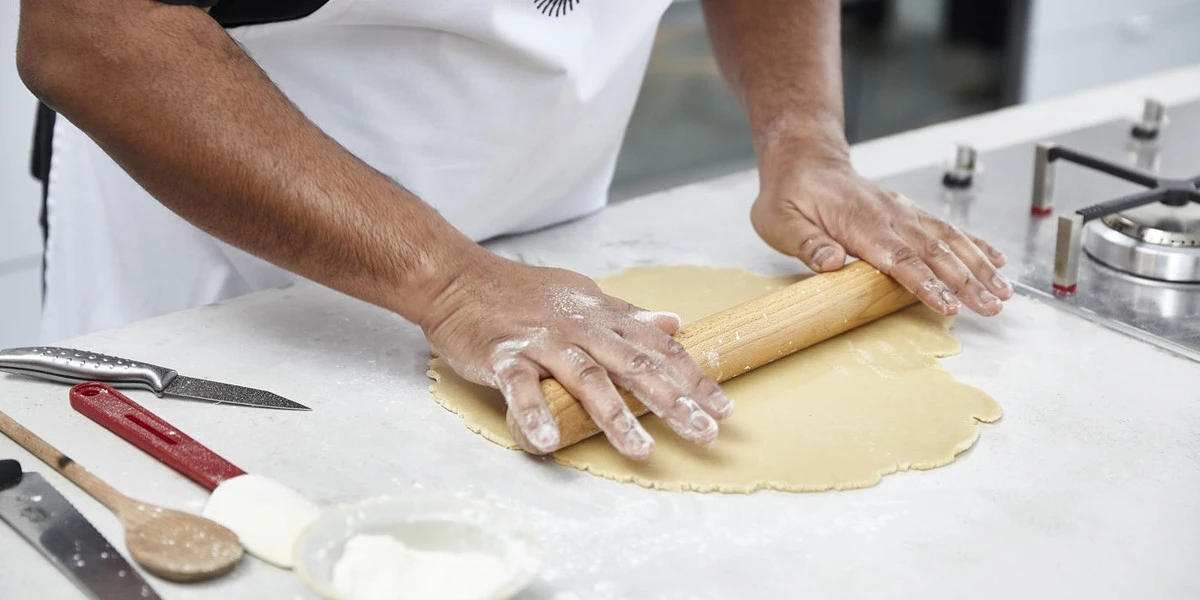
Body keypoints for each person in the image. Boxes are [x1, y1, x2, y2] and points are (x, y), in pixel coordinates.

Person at [16, 0, 1011, 460]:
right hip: (230, 289)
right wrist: (449, 281)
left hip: (557, 261)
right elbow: (92, 32)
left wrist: (803, 137)